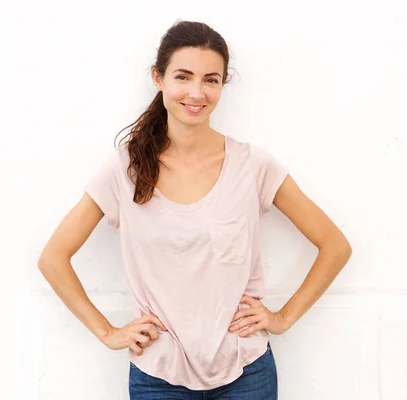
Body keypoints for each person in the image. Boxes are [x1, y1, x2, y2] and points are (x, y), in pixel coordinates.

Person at [38, 20, 352, 399]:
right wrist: (108, 332)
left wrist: (282, 318)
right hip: (157, 373)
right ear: (158, 78)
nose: (196, 92)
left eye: (211, 80)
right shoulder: (126, 169)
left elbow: (335, 246)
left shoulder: (254, 166)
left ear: (222, 85)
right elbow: (53, 258)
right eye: (183, 77)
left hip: (246, 369)